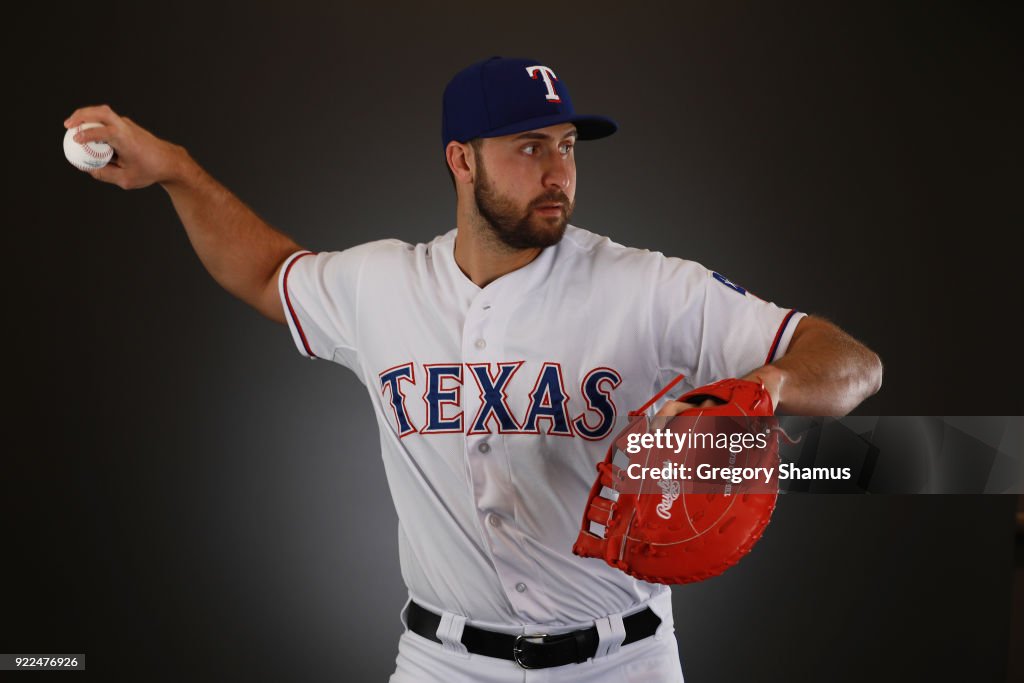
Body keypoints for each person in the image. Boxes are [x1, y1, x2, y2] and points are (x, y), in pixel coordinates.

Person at [64, 55, 882, 682]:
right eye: (530, 147)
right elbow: (264, 270)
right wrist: (175, 169)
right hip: (444, 662)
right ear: (462, 159)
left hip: (621, 663)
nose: (559, 170)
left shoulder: (649, 286)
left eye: (566, 146)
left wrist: (764, 386)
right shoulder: (380, 285)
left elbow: (853, 365)